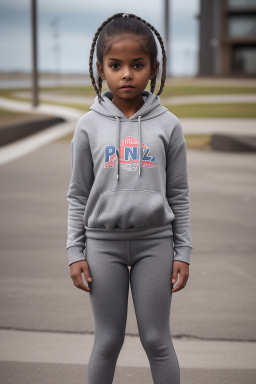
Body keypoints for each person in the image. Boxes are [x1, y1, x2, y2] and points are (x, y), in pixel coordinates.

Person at [66, 12, 193, 384]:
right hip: (101, 246)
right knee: (107, 341)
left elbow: (180, 195)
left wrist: (182, 252)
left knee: (157, 340)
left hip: (155, 244)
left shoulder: (168, 124)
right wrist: (75, 251)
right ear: (101, 68)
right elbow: (77, 194)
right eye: (116, 65)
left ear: (152, 69)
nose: (126, 74)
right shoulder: (88, 125)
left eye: (137, 65)